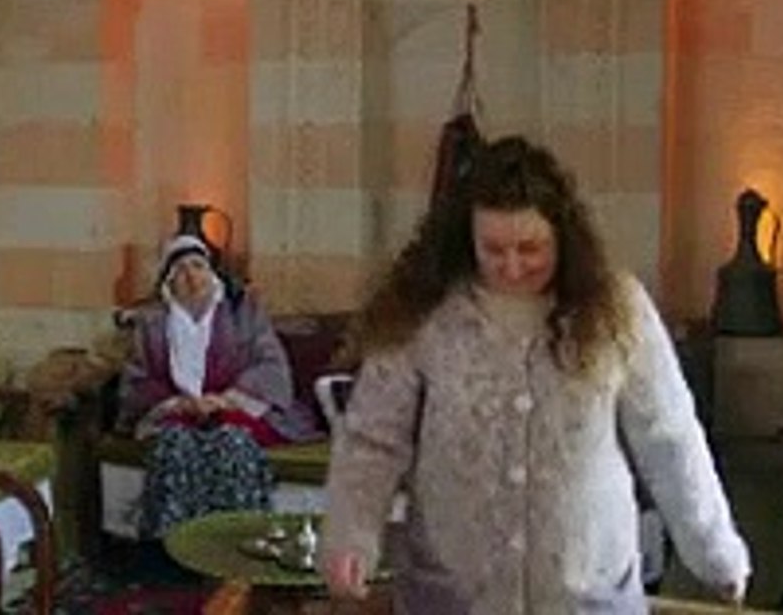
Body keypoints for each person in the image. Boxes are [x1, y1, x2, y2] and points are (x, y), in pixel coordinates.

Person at [320, 137, 750, 613]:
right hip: (452, 596)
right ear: (466, 240)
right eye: (493, 249)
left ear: (562, 237)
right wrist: (350, 538)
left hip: (588, 595)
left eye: (530, 248)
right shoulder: (423, 312)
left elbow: (668, 436)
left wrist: (715, 552)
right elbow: (373, 440)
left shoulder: (617, 308)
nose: (512, 266)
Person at [118, 234, 318, 538]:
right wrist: (177, 403)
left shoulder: (243, 312)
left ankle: (239, 537)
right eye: (181, 271)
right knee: (174, 447)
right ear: (169, 282)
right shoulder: (152, 324)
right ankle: (177, 542)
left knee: (231, 443)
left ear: (212, 273)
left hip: (237, 408)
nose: (191, 277)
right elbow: (137, 380)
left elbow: (271, 366)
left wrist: (227, 399)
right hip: (179, 413)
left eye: (198, 266)